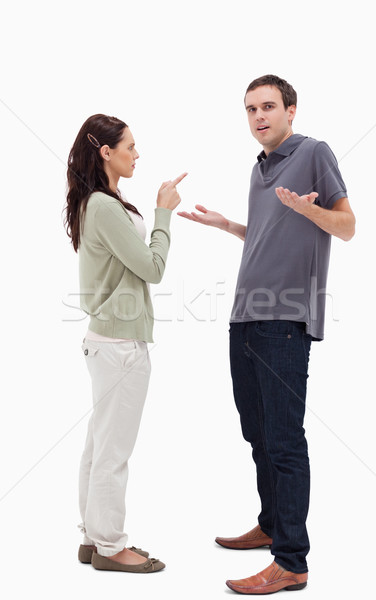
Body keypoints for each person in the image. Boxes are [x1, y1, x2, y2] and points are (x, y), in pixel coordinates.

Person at [178, 74, 355, 594]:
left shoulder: (314, 152)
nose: (259, 116)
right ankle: (271, 525)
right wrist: (227, 226)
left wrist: (308, 209)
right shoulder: (259, 168)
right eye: (251, 108)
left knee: (283, 439)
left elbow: (347, 227)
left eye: (269, 107)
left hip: (284, 320)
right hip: (245, 316)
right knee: (256, 434)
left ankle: (291, 561)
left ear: (291, 111)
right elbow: (265, 236)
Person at [64, 113, 186, 573]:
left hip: (109, 340)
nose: (138, 154)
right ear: (106, 152)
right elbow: (153, 268)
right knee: (112, 451)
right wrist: (163, 212)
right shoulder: (103, 205)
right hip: (119, 344)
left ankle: (93, 537)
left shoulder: (106, 201)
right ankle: (111, 546)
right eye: (131, 147)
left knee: (100, 445)